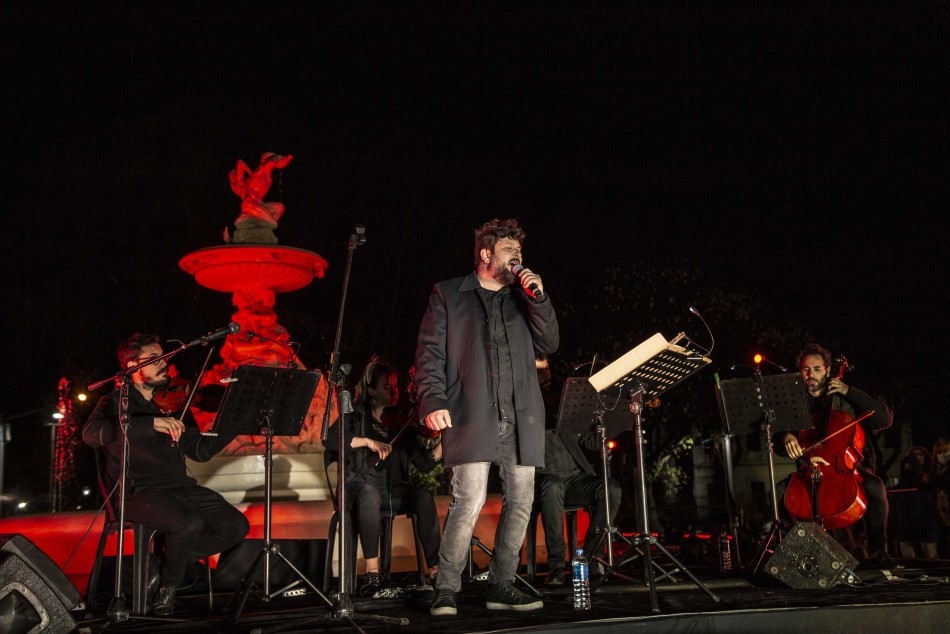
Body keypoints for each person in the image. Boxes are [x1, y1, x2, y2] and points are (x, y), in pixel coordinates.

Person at [415, 218, 559, 616]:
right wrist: (432, 400)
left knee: (522, 501)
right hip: (471, 411)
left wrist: (539, 298)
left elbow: (550, 342)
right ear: (485, 254)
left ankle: (502, 584)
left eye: (520, 253)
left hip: (521, 414)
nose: (518, 259)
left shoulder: (523, 300)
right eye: (510, 252)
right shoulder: (448, 294)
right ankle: (446, 587)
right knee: (469, 500)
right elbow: (430, 355)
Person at [83, 333, 250, 616]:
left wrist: (236, 422)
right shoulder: (115, 402)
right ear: (133, 366)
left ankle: (160, 567)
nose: (165, 366)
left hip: (179, 488)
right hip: (137, 492)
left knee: (235, 526)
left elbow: (199, 450)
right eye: (154, 360)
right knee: (188, 522)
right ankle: (168, 590)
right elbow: (91, 435)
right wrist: (150, 423)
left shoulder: (176, 403)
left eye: (165, 359)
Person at [323, 357, 443, 596]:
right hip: (356, 487)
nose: (393, 392)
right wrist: (367, 441)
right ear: (371, 390)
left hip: (391, 489)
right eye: (387, 387)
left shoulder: (401, 422)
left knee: (422, 497)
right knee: (369, 494)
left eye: (396, 387)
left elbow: (425, 464)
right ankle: (372, 575)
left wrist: (446, 443)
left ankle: (436, 570)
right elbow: (330, 439)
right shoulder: (357, 415)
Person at [774, 342, 894, 568]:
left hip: (846, 470)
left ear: (828, 370)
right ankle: (800, 553)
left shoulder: (846, 397)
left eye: (817, 369)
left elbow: (884, 420)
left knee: (876, 488)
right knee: (779, 493)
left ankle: (878, 550)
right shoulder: (794, 402)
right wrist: (787, 437)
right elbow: (779, 446)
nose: (811, 374)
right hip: (808, 471)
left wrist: (849, 390)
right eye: (806, 369)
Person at [534, 355, 622, 585]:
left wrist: (606, 420)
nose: (545, 376)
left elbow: (591, 441)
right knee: (552, 486)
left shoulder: (564, 407)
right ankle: (555, 567)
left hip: (573, 479)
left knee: (610, 488)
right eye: (538, 370)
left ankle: (592, 556)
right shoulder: (527, 405)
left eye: (546, 370)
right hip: (540, 481)